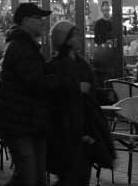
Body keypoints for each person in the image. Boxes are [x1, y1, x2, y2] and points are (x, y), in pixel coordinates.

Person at [47, 21, 115, 185]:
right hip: (67, 130)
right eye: (75, 35)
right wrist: (75, 88)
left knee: (82, 175)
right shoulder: (55, 65)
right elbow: (52, 93)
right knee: (71, 176)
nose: (80, 38)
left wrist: (104, 95)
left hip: (86, 125)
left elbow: (91, 89)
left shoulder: (82, 63)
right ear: (65, 40)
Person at [0, 2, 54, 186]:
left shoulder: (26, 46)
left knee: (33, 176)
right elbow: (36, 82)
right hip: (19, 122)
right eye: (38, 18)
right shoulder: (21, 47)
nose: (42, 22)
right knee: (29, 176)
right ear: (26, 21)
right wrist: (59, 80)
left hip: (28, 121)